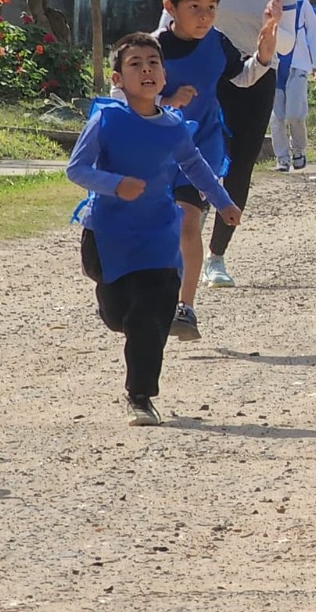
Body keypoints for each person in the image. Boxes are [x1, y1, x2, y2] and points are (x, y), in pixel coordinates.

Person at [67, 33, 241, 427]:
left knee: (153, 310)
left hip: (159, 236)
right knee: (120, 316)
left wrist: (224, 201)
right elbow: (76, 169)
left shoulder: (176, 127)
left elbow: (195, 166)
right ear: (117, 78)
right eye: (135, 64)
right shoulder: (106, 120)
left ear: (164, 77)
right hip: (107, 234)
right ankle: (120, 315)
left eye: (153, 63)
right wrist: (116, 185)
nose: (146, 69)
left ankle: (141, 395)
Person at [156, 0, 279, 342]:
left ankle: (185, 307)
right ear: (171, 7)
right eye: (195, 6)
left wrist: (262, 55)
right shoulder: (150, 48)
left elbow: (240, 77)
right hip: (155, 150)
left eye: (211, 6)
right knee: (153, 229)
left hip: (200, 149)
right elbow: (121, 96)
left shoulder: (217, 43)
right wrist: (165, 99)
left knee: (187, 221)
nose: (205, 15)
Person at [184, 0, 296, 288]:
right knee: (195, 157)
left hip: (256, 71)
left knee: (240, 163)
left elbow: (288, 41)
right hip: (205, 71)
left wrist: (271, 31)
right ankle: (186, 243)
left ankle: (216, 257)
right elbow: (173, 17)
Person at [271, 0, 316, 172]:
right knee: (277, 116)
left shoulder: (302, 4)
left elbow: (314, 33)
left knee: (295, 113)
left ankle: (298, 150)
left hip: (298, 66)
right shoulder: (265, 1)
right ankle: (282, 158)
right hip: (273, 67)